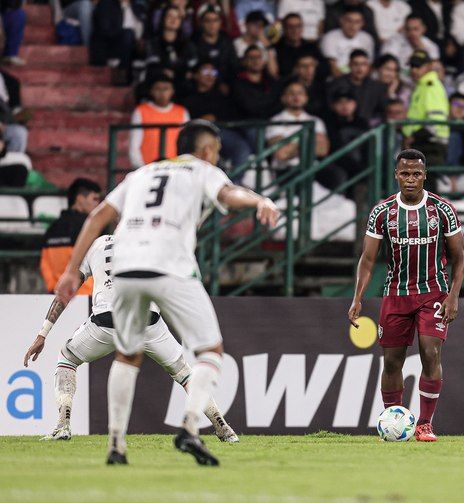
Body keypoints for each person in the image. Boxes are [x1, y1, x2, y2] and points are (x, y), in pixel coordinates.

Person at [53, 120, 280, 466]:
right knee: (210, 350)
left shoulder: (141, 173)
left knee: (127, 355)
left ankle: (116, 446)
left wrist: (71, 271)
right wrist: (259, 200)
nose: (216, 157)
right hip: (170, 264)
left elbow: (98, 216)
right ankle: (189, 428)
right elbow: (228, 195)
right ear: (206, 151)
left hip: (126, 268)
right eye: (216, 151)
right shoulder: (203, 170)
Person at [24, 235, 238, 444]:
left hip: (107, 321)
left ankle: (62, 425)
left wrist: (43, 334)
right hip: (148, 321)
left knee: (67, 358)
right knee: (185, 373)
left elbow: (67, 289)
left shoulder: (95, 244)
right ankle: (223, 427)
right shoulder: (149, 241)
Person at [347, 149, 464, 443]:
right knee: (392, 362)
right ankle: (393, 420)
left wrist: (453, 296)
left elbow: (460, 256)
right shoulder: (382, 212)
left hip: (433, 292)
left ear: (425, 176)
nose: (410, 179)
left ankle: (425, 424)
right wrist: (357, 297)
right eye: (405, 174)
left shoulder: (442, 209)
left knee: (430, 352)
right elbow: (367, 259)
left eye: (416, 174)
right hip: (396, 294)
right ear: (396, 175)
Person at [40, 179, 101, 295]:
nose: (97, 204)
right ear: (80, 199)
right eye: (95, 199)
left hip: (58, 294)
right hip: (87, 295)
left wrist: (53, 289)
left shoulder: (52, 229)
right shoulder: (90, 228)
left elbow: (45, 264)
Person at [267, 82, 330, 172]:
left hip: (313, 169)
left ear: (306, 98)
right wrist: (308, 143)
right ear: (283, 98)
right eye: (291, 93)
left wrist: (292, 146)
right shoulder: (275, 121)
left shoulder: (316, 121)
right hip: (285, 170)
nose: (296, 96)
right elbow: (281, 153)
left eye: (300, 93)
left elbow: (322, 150)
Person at [129, 76, 190, 168]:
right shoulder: (141, 111)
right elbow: (134, 145)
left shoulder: (182, 112)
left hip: (175, 169)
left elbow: (187, 145)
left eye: (166, 89)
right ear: (151, 91)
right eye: (157, 89)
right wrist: (142, 168)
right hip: (148, 168)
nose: (162, 93)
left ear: (172, 91)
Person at [404, 51, 450, 168]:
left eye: (418, 66)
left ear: (429, 66)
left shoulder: (431, 86)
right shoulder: (421, 86)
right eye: (412, 66)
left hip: (430, 144)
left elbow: (435, 121)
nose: (414, 70)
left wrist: (413, 137)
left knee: (426, 184)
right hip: (421, 143)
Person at [328, 49, 388, 123]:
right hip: (341, 127)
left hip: (371, 129)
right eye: (356, 64)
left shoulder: (378, 87)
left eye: (364, 64)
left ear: (369, 67)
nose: (360, 68)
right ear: (349, 65)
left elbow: (383, 112)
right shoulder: (336, 84)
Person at [320, 6, 376, 77]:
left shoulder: (367, 39)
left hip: (361, 80)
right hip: (338, 80)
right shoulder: (330, 38)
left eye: (357, 22)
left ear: (362, 23)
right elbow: (333, 69)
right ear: (341, 21)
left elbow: (369, 66)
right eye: (349, 21)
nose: (353, 26)